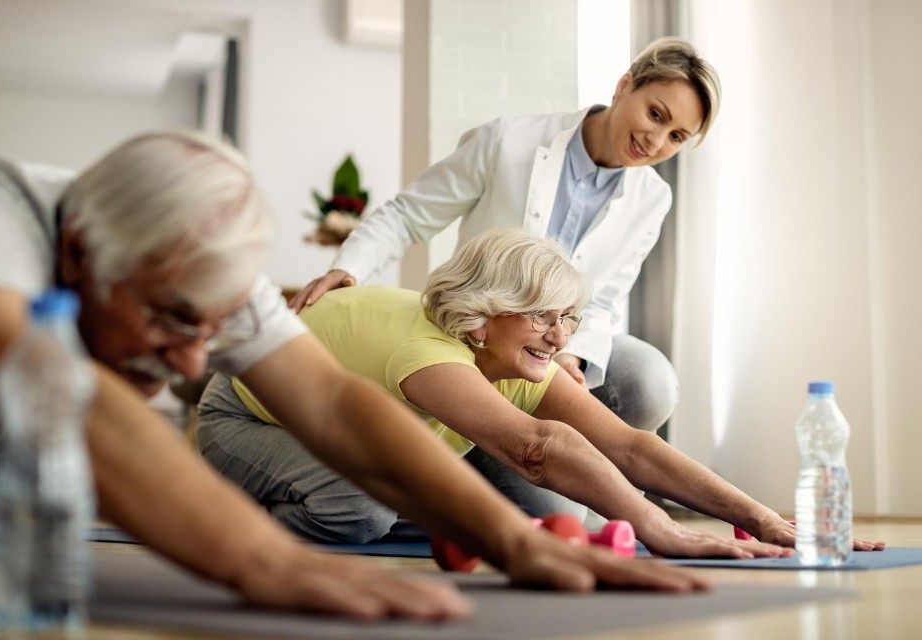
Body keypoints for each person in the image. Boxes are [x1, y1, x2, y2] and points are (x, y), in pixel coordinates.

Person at [0, 131, 711, 621]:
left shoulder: (207, 266)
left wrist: (510, 540)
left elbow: (331, 402)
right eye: (171, 321)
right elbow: (63, 399)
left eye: (209, 331)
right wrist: (262, 559)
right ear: (80, 252)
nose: (192, 362)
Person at [201, 229, 884, 556]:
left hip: (369, 424)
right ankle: (236, 512)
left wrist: (764, 515)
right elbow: (534, 448)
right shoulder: (431, 352)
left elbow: (629, 447)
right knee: (359, 510)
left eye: (569, 318)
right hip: (246, 415)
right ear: (485, 310)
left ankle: (406, 498)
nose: (560, 338)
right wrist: (662, 530)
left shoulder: (511, 351)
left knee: (578, 520)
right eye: (541, 316)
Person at [289, 37, 719, 510]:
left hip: (555, 347)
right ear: (624, 86)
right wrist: (347, 269)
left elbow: (604, 298)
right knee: (561, 517)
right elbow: (408, 214)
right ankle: (471, 459)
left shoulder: (652, 199)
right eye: (656, 114)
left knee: (647, 379)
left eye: (677, 136)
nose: (656, 141)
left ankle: (590, 478)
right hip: (482, 345)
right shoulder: (507, 141)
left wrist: (570, 356)